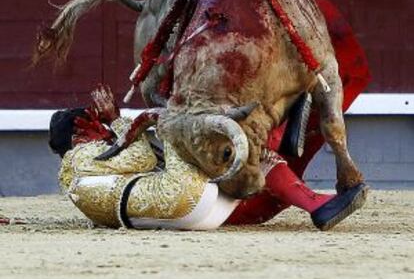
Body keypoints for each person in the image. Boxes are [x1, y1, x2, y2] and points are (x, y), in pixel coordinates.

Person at [50, 84, 367, 231]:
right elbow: (144, 160)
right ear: (78, 136)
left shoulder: (75, 181)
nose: (105, 131)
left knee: (249, 158)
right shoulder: (80, 156)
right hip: (189, 197)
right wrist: (123, 121)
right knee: (173, 121)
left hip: (200, 219)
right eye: (98, 126)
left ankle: (312, 198)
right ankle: (278, 123)